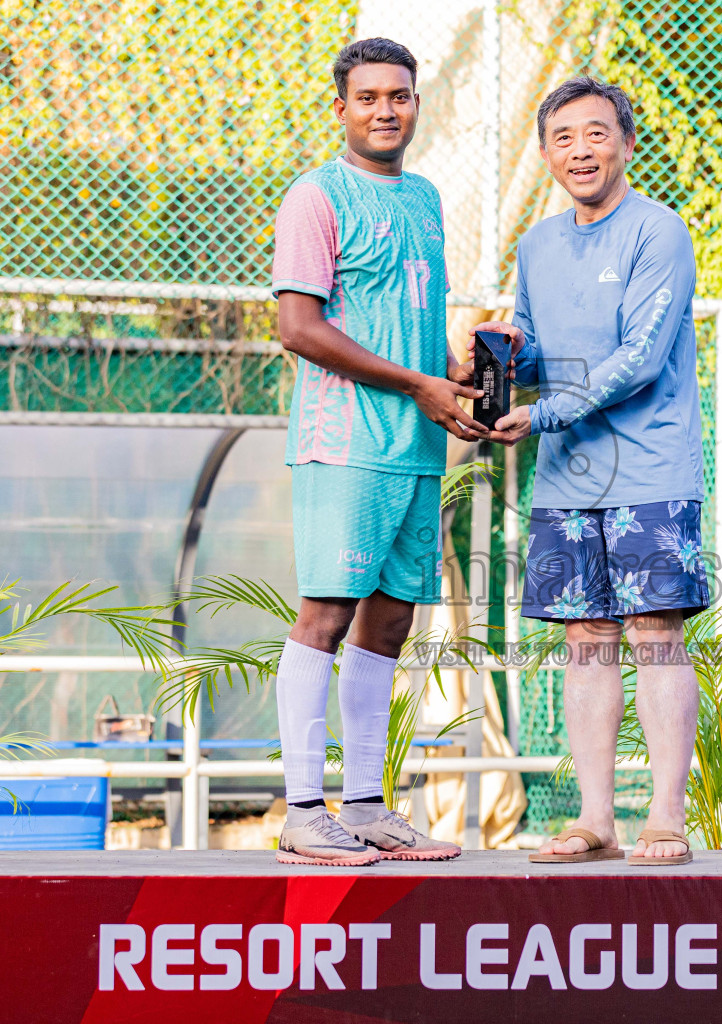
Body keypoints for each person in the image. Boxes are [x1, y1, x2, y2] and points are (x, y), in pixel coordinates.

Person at [473, 76, 707, 864]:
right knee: (585, 639)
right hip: (569, 477)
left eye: (596, 133)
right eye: (563, 138)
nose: (580, 150)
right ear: (545, 154)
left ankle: (666, 818)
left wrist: (539, 414)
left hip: (651, 473)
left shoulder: (659, 230)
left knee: (655, 636)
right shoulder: (537, 244)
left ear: (626, 143)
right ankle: (595, 819)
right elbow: (539, 348)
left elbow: (639, 359)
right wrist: (503, 353)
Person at [269, 37, 484, 865]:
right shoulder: (315, 197)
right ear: (342, 108)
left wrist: (455, 381)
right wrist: (416, 385)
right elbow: (300, 329)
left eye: (399, 96)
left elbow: (410, 323)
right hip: (345, 441)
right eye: (368, 98)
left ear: (415, 105)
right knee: (325, 613)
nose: (385, 110)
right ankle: (300, 811)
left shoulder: (425, 197)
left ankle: (364, 808)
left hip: (418, 443)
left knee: (391, 623)